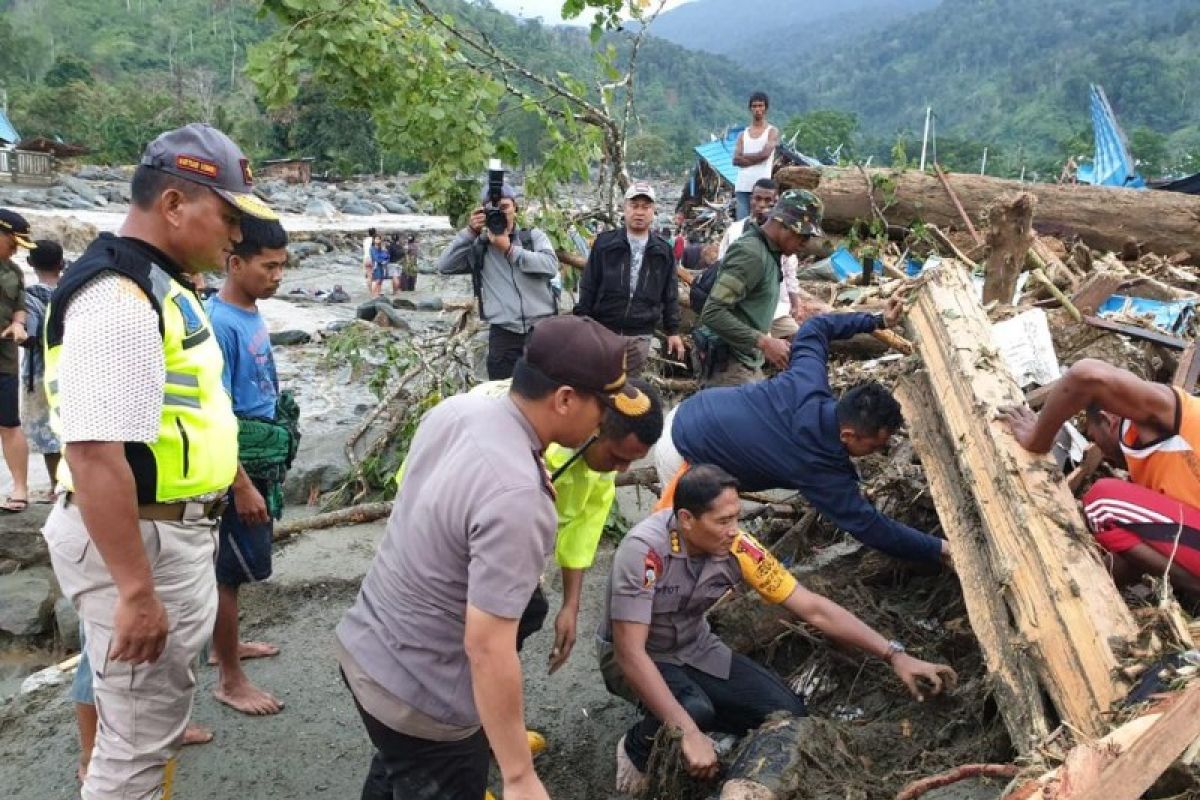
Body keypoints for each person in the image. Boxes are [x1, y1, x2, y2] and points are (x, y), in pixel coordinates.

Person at [40, 122, 275, 799]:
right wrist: (136, 591)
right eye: (228, 217)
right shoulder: (118, 298)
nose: (237, 237)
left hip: (166, 532)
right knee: (135, 750)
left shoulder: (157, 284)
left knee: (150, 726)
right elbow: (92, 454)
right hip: (140, 538)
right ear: (173, 204)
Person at [336, 315, 650, 800]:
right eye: (603, 407)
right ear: (565, 398)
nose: (604, 421)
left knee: (396, 772)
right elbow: (488, 648)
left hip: (368, 648)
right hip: (425, 697)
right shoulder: (518, 494)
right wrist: (518, 774)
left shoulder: (458, 411)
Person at [600, 465, 957, 793]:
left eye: (737, 517)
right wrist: (688, 732)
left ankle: (703, 735)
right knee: (694, 712)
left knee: (786, 712)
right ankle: (637, 746)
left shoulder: (740, 548)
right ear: (687, 519)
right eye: (723, 521)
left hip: (695, 647)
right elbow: (629, 652)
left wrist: (894, 656)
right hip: (636, 655)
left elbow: (813, 608)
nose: (734, 530)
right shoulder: (644, 553)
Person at [660, 303, 949, 566]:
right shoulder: (818, 467)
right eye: (875, 446)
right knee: (691, 551)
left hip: (698, 407)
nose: (878, 452)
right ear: (848, 435)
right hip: (684, 451)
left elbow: (816, 327)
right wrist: (938, 548)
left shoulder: (809, 380)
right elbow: (870, 526)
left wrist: (877, 319)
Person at [1001, 360, 1200, 598]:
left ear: (1106, 420)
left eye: (1092, 436)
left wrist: (1037, 441)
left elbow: (1085, 375)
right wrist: (1074, 590)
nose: (1098, 448)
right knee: (1110, 516)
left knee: (1101, 502)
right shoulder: (1146, 467)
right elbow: (1139, 558)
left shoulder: (1167, 412)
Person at [206, 215, 299, 716]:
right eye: (268, 266)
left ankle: (228, 645)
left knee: (238, 570)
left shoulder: (249, 312)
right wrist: (241, 483)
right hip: (235, 462)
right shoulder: (219, 323)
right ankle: (229, 677)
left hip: (259, 450)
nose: (277, 276)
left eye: (282, 266)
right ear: (234, 262)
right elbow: (213, 413)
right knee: (227, 570)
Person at [697, 189, 825, 387]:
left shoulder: (769, 252)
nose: (805, 244)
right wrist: (765, 342)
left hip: (746, 360)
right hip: (729, 365)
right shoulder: (751, 254)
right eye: (803, 235)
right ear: (783, 224)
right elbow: (713, 313)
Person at [437, 182, 558, 380]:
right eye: (493, 209)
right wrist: (469, 232)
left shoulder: (533, 238)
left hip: (541, 332)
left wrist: (510, 250)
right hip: (504, 336)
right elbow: (445, 266)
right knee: (502, 400)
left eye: (505, 207)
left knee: (543, 397)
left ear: (515, 208)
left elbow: (550, 266)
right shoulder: (480, 248)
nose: (500, 214)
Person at [573, 181, 685, 367]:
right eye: (634, 206)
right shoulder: (605, 243)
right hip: (603, 329)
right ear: (625, 208)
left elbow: (670, 293)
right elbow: (589, 284)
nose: (639, 212)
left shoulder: (663, 250)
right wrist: (582, 321)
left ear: (653, 211)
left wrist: (672, 330)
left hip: (639, 334)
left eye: (645, 207)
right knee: (598, 384)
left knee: (629, 388)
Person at [717, 178, 829, 341]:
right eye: (758, 198)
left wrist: (795, 304)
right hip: (744, 316)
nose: (762, 205)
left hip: (776, 311)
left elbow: (790, 276)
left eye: (768, 200)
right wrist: (763, 342)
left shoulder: (781, 247)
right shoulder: (742, 241)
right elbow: (716, 307)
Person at [20, 239, 65, 499]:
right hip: (71, 366)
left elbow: (30, 334)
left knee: (47, 431)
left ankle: (54, 485)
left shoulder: (29, 297)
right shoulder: (72, 290)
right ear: (61, 264)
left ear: (29, 264)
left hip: (39, 372)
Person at [0, 209, 32, 513]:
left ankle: (20, 489)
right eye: (13, 240)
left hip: (4, 361)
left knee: (9, 424)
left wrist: (19, 324)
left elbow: (19, 306)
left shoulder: (14, 271)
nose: (17, 247)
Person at [732, 92, 779, 221]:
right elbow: (735, 159)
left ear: (766, 108)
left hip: (763, 190)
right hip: (742, 186)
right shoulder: (743, 134)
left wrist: (745, 159)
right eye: (754, 106)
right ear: (750, 108)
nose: (757, 109)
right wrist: (757, 157)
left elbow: (765, 154)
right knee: (742, 224)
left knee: (762, 224)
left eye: (761, 105)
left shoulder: (772, 131)